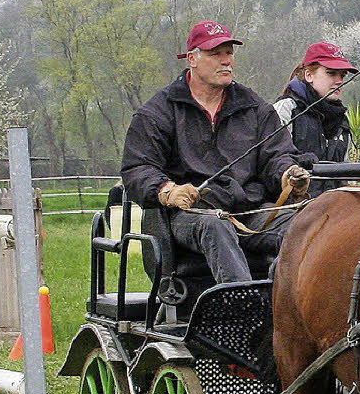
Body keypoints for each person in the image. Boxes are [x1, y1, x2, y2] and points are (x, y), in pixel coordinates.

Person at [121, 21, 312, 284]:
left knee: (304, 225)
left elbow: (276, 155)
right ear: (192, 59)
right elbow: (137, 169)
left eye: (229, 53)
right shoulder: (157, 112)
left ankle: (288, 303)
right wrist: (167, 190)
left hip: (251, 210)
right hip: (191, 216)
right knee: (215, 225)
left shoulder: (255, 108)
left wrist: (286, 174)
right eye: (215, 54)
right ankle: (242, 307)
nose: (226, 61)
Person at [274, 42, 358, 198]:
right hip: (292, 209)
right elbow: (272, 161)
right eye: (331, 73)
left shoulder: (341, 122)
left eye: (342, 75)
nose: (339, 80)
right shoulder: (286, 109)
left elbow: (346, 177)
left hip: (335, 209)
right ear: (309, 75)